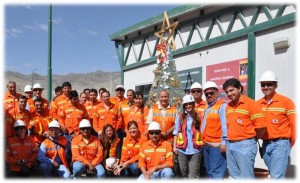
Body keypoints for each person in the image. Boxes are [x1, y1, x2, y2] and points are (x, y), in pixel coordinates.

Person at [222, 78, 266, 179]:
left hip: (245, 145)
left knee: (246, 177)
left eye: (231, 90)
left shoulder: (251, 104)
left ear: (239, 88)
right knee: (234, 176)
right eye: (227, 92)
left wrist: (251, 140)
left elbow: (261, 127)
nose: (229, 94)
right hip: (230, 145)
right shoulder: (229, 106)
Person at [256, 70, 296, 179]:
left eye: (269, 84)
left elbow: (294, 125)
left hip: (281, 144)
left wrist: (288, 144)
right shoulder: (257, 104)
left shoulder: (286, 102)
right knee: (273, 174)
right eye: (263, 85)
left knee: (276, 177)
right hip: (265, 145)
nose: (266, 87)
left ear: (275, 85)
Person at [201, 81, 227, 179]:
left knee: (216, 173)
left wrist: (224, 142)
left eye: (211, 93)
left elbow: (225, 126)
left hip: (217, 146)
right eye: (206, 94)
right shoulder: (207, 107)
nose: (209, 95)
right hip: (207, 145)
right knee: (210, 172)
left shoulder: (222, 106)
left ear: (217, 92)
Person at [173, 95, 202, 179]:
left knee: (193, 175)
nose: (188, 106)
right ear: (184, 106)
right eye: (186, 104)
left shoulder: (199, 116)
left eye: (190, 104)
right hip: (182, 149)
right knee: (182, 173)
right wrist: (174, 147)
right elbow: (176, 132)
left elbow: (202, 131)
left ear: (193, 104)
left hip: (195, 149)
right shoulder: (180, 117)